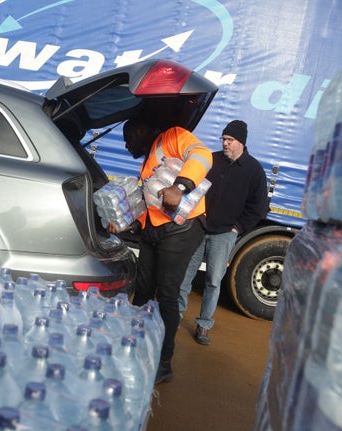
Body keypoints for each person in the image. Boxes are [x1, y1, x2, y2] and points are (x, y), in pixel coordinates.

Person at [109, 117, 212, 384]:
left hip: (181, 227)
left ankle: (163, 362)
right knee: (142, 291)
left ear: (141, 129)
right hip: (155, 229)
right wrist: (126, 224)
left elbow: (202, 156)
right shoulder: (147, 160)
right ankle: (135, 347)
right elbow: (152, 203)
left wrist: (180, 187)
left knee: (167, 293)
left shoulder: (173, 136)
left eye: (128, 138)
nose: (126, 145)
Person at [178, 120, 269, 345]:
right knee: (185, 275)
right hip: (199, 228)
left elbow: (258, 207)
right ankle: (174, 315)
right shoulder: (213, 160)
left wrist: (238, 227)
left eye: (230, 140)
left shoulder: (253, 170)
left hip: (224, 234)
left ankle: (204, 325)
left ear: (241, 143)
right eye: (224, 139)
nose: (225, 143)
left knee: (213, 281)